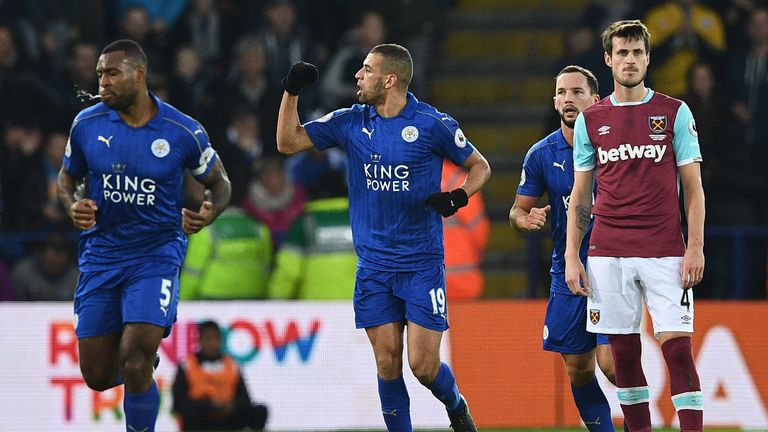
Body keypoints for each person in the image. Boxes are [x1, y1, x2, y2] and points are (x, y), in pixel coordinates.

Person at [275, 44, 491, 431]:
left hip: (421, 266)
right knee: (387, 364)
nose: (358, 75)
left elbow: (480, 166)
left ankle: (455, 404)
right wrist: (291, 91)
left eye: (366, 69)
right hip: (373, 267)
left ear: (389, 79)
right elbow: (288, 142)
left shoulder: (431, 123)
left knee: (423, 367)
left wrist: (458, 195)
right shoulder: (350, 121)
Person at [57, 39, 231, 432]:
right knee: (98, 375)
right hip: (101, 256)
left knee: (134, 358)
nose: (102, 81)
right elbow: (67, 178)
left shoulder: (182, 131)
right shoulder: (87, 124)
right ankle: (140, 370)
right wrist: (72, 204)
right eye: (99, 73)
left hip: (156, 255)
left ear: (139, 74)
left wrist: (209, 211)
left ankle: (140, 376)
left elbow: (220, 184)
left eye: (111, 73)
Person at [565, 20, 705, 432]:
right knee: (624, 359)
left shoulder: (674, 112)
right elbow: (580, 195)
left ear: (648, 57)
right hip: (608, 254)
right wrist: (573, 255)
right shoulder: (591, 120)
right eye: (622, 53)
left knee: (678, 353)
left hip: (665, 251)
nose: (630, 60)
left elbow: (693, 189)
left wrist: (694, 246)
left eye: (637, 52)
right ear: (608, 59)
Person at [511, 65, 618, 431]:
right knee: (578, 368)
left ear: (596, 99)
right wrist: (525, 220)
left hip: (612, 264)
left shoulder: (617, 148)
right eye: (561, 92)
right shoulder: (541, 154)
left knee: (613, 366)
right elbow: (517, 211)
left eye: (576, 91)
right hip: (568, 271)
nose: (567, 98)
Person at [268, 170, 356, 300]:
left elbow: (288, 271)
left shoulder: (305, 223)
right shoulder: (362, 220)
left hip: (315, 311)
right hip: (360, 310)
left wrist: (275, 302)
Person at [172, 320, 268, 431]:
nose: (211, 343)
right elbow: (179, 404)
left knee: (260, 411)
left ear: (221, 340)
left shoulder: (232, 365)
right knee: (190, 415)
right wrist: (209, 405)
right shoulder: (186, 365)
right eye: (207, 338)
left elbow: (246, 400)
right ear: (199, 340)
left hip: (228, 417)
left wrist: (232, 405)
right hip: (201, 419)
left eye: (215, 338)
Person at [442, 159, 489, 301]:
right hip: (462, 282)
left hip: (422, 285)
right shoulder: (459, 181)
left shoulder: (407, 180)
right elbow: (479, 230)